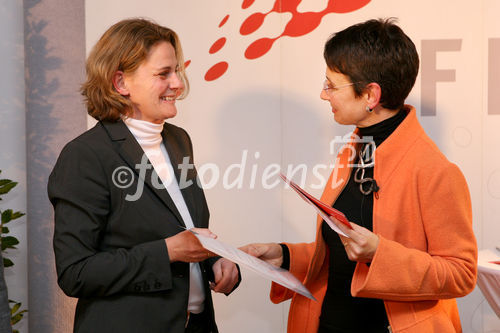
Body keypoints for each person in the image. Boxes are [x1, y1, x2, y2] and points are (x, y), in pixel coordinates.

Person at [242, 18, 477, 333]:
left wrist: (381, 253)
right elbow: (342, 255)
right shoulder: (352, 152)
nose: (324, 95)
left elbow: (461, 273)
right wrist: (284, 255)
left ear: (370, 95)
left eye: (331, 85)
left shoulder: (435, 171)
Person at [48, 18, 240, 333]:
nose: (178, 83)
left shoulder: (178, 139)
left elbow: (185, 232)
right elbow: (75, 272)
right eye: (163, 73)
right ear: (120, 83)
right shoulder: (85, 156)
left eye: (176, 71)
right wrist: (168, 251)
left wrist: (213, 261)